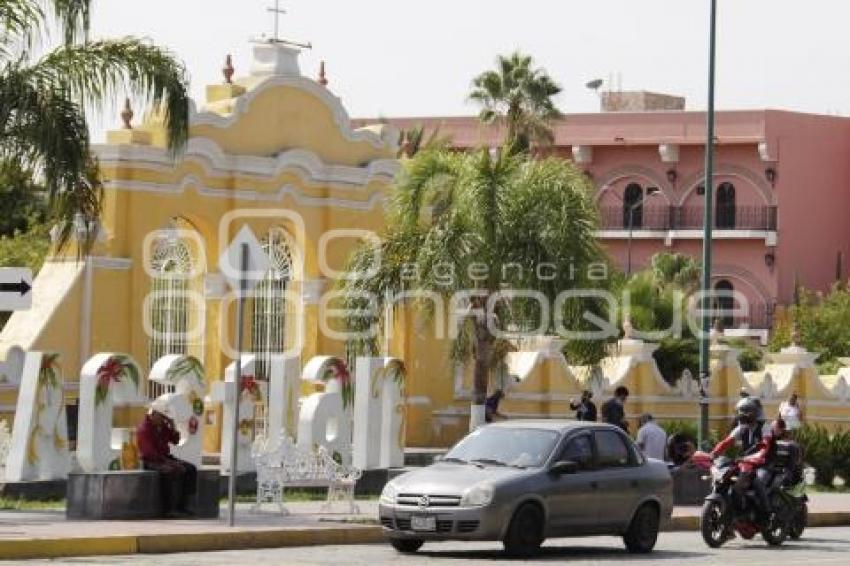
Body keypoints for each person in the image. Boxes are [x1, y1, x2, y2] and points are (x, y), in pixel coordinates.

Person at [136, 400, 197, 518]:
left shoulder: (162, 426)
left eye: (165, 417)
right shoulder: (144, 429)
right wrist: (170, 463)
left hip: (164, 458)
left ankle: (183, 506)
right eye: (161, 416)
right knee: (170, 471)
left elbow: (175, 440)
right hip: (150, 461)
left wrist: (172, 425)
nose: (163, 419)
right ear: (153, 414)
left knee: (191, 469)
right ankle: (168, 509)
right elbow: (150, 453)